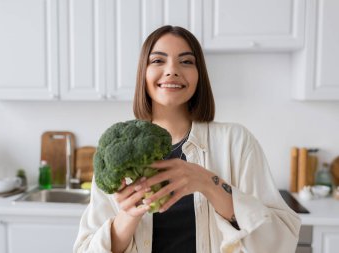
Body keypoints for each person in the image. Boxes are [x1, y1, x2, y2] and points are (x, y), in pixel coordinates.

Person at [73, 25, 301, 253]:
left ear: (199, 74)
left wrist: (207, 182)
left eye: (186, 61)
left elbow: (281, 241)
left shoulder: (235, 142)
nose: (172, 70)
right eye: (158, 61)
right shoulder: (117, 152)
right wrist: (128, 215)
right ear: (143, 71)